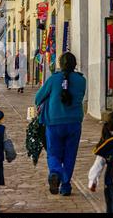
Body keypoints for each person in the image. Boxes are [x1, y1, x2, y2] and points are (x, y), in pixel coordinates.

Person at [35, 52, 86, 196]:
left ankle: (55, 172)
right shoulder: (82, 80)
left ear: (60, 64)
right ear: (75, 64)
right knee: (70, 155)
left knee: (53, 153)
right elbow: (80, 96)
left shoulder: (53, 79)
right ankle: (65, 185)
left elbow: (38, 98)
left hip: (54, 122)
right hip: (74, 122)